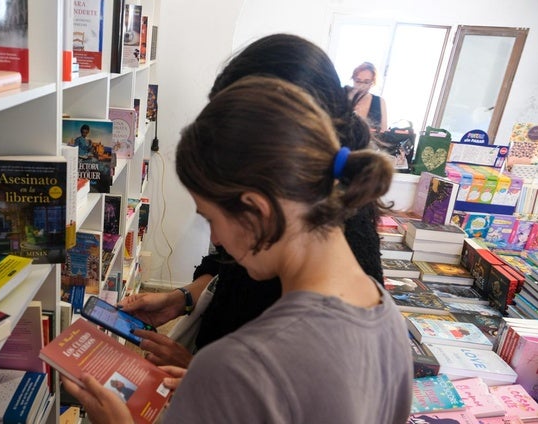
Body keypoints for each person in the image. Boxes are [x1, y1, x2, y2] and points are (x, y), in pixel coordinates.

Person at [63, 75, 413, 423]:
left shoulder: (243, 364)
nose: (216, 240)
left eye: (211, 218)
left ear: (256, 210)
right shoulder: (388, 319)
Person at [119, 33, 386, 368]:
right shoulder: (275, 210)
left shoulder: (339, 257)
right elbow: (227, 264)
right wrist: (181, 299)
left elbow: (287, 386)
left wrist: (205, 378)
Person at [347, 61, 387, 132]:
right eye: (358, 81)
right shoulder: (345, 97)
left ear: (372, 82)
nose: (362, 85)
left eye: (366, 82)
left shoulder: (380, 102)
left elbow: (383, 132)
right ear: (353, 79)